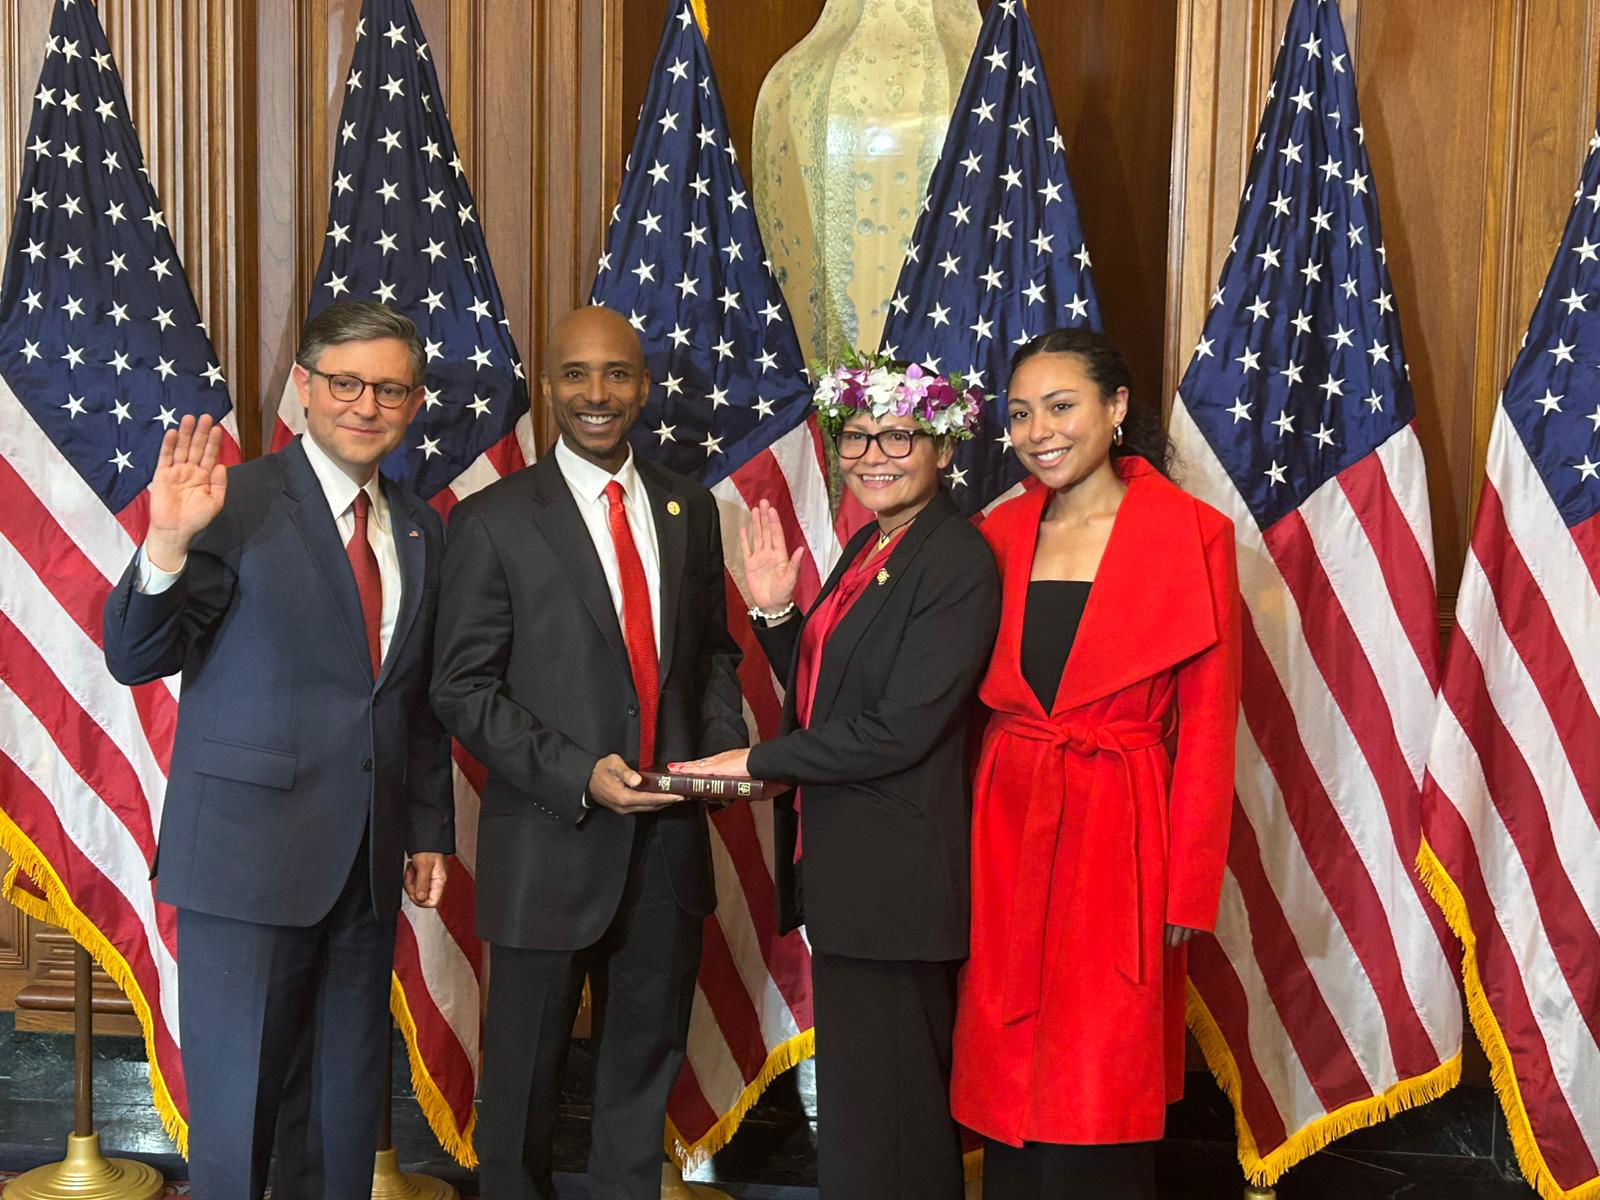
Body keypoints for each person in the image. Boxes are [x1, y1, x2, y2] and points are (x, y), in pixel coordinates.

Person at [102, 301, 453, 1200]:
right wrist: (169, 540)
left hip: (366, 869)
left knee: (339, 1121)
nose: (365, 405)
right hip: (245, 865)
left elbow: (412, 703)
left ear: (414, 404)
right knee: (240, 1119)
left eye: (389, 389)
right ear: (304, 388)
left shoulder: (420, 527)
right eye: (345, 383)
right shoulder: (237, 498)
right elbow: (137, 657)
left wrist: (427, 831)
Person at [429, 305, 745, 1200]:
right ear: (549, 389)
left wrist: (717, 754)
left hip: (668, 851)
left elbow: (713, 653)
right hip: (548, 847)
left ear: (644, 388)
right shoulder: (492, 520)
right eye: (576, 374)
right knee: (522, 1087)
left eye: (616, 375)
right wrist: (578, 772)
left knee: (637, 1089)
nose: (596, 394)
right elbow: (461, 688)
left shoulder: (689, 507)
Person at [677, 360, 1000, 1200]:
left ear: (941, 446)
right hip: (849, 877)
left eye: (897, 435)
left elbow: (900, 727)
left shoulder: (956, 559)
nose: (872, 454)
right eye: (856, 436)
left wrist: (756, 761)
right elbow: (833, 695)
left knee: (893, 1119)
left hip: (899, 885)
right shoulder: (874, 542)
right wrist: (780, 614)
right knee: (862, 1114)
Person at [949, 329, 1241, 1199]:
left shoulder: (1195, 535)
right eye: (1020, 413)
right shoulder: (991, 534)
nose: (1040, 430)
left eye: (1062, 405)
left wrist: (1187, 886)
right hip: (1006, 825)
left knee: (1098, 1078)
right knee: (1009, 1083)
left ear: (1116, 410)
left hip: (1123, 834)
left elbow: (1211, 728)